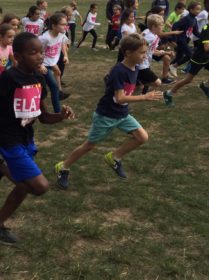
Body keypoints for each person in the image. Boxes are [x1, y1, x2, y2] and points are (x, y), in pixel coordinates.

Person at [0, 32, 74, 246]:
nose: (40, 56)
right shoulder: (10, 77)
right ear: (18, 56)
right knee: (39, 187)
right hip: (7, 137)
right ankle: (0, 167)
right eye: (33, 52)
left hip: (26, 138)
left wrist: (61, 116)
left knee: (23, 186)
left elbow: (43, 117)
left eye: (41, 51)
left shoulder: (39, 78)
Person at [55, 34, 162, 189]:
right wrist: (144, 97)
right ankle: (63, 167)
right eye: (141, 52)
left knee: (142, 137)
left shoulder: (136, 67)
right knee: (89, 146)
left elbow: (132, 88)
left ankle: (114, 157)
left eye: (145, 52)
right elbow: (119, 98)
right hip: (106, 115)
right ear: (128, 53)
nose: (144, 56)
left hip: (122, 114)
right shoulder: (119, 71)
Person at [163, 9, 209, 106]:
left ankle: (206, 85)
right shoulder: (206, 29)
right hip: (199, 58)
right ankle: (168, 93)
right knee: (188, 80)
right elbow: (207, 47)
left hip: (208, 57)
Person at [39, 13, 69, 113]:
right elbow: (37, 52)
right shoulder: (45, 38)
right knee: (53, 87)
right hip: (43, 64)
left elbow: (63, 43)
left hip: (51, 62)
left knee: (58, 73)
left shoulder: (61, 34)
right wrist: (40, 65)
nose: (65, 26)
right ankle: (58, 112)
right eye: (62, 24)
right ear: (54, 26)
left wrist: (65, 55)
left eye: (66, 24)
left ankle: (58, 92)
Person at [171, 1, 202, 68]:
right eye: (197, 9)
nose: (199, 11)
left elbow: (195, 32)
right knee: (190, 55)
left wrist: (204, 36)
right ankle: (173, 66)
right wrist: (174, 39)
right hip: (181, 40)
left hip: (185, 40)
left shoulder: (194, 19)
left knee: (179, 57)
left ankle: (168, 68)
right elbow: (175, 25)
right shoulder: (187, 18)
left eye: (200, 9)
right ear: (191, 10)